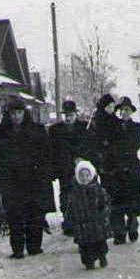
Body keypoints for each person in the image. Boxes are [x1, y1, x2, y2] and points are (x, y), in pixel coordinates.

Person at [0, 97, 54, 259]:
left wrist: (43, 174)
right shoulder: (0, 133)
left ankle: (34, 246)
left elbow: (46, 155)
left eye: (19, 113)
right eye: (13, 113)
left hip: (33, 180)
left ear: (25, 113)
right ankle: (17, 249)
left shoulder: (36, 130)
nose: (16, 116)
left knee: (35, 214)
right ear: (8, 114)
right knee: (14, 215)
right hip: (12, 182)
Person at [106, 96, 140, 244]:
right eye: (121, 110)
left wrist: (117, 148)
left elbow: (133, 146)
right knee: (117, 203)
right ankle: (119, 232)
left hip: (131, 169)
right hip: (115, 170)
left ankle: (132, 228)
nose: (123, 113)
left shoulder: (137, 128)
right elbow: (109, 146)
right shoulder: (112, 128)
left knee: (132, 202)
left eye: (126, 110)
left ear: (131, 112)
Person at [48, 100, 89, 236]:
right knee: (65, 194)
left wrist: (82, 158)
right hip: (63, 168)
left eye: (71, 114)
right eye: (66, 115)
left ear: (75, 114)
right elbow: (51, 150)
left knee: (82, 193)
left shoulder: (84, 128)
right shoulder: (55, 130)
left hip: (80, 168)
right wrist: (54, 167)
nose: (68, 117)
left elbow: (90, 146)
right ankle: (68, 221)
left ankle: (81, 221)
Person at [68, 160, 111, 270]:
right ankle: (89, 262)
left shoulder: (98, 190)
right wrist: (70, 219)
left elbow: (105, 202)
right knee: (85, 247)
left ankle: (102, 257)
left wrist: (104, 214)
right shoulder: (75, 193)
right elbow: (70, 208)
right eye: (81, 176)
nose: (85, 178)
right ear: (77, 177)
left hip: (97, 224)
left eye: (87, 175)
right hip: (82, 226)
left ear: (92, 175)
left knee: (100, 244)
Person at [86, 93, 118, 179]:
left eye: (112, 107)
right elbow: (91, 139)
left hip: (113, 160)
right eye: (109, 107)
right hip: (100, 160)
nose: (111, 109)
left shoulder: (114, 119)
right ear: (103, 107)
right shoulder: (97, 119)